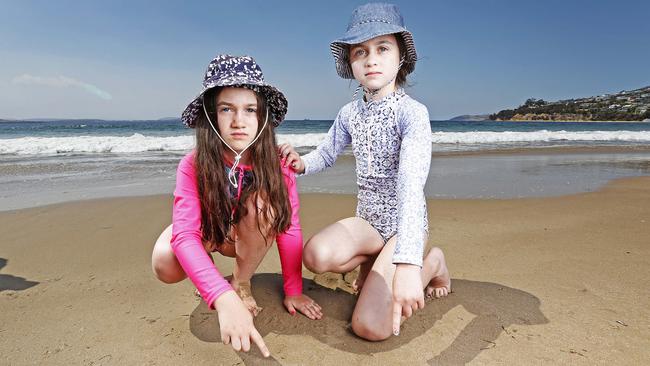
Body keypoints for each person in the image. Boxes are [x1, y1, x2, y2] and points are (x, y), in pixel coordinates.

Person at [279, 3, 450, 341]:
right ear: (351, 63)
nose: (371, 59)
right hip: (368, 222)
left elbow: (410, 188)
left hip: (404, 227)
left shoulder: (412, 114)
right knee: (315, 254)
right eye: (361, 51)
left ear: (400, 57)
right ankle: (372, 266)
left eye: (382, 48)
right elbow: (327, 153)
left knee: (370, 327)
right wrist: (302, 163)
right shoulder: (348, 113)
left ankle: (434, 264)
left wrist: (407, 263)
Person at [152, 54, 322, 357]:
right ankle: (218, 280)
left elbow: (289, 228)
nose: (238, 121)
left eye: (249, 109)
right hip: (210, 230)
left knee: (264, 205)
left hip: (250, 234)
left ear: (262, 117)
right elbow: (186, 235)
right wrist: (220, 296)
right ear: (211, 116)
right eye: (226, 109)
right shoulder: (192, 165)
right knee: (165, 261)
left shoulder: (278, 165)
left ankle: (241, 281)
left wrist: (294, 290)